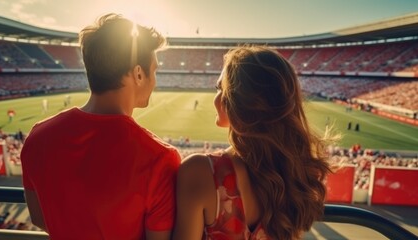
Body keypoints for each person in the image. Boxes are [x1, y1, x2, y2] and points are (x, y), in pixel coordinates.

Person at [20, 13, 181, 240]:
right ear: (138, 73)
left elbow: (38, 217)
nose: (155, 80)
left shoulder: (38, 136)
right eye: (154, 71)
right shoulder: (159, 158)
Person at [174, 46, 333, 240]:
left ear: (238, 101)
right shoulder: (296, 175)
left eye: (220, 89)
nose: (217, 97)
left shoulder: (201, 171)